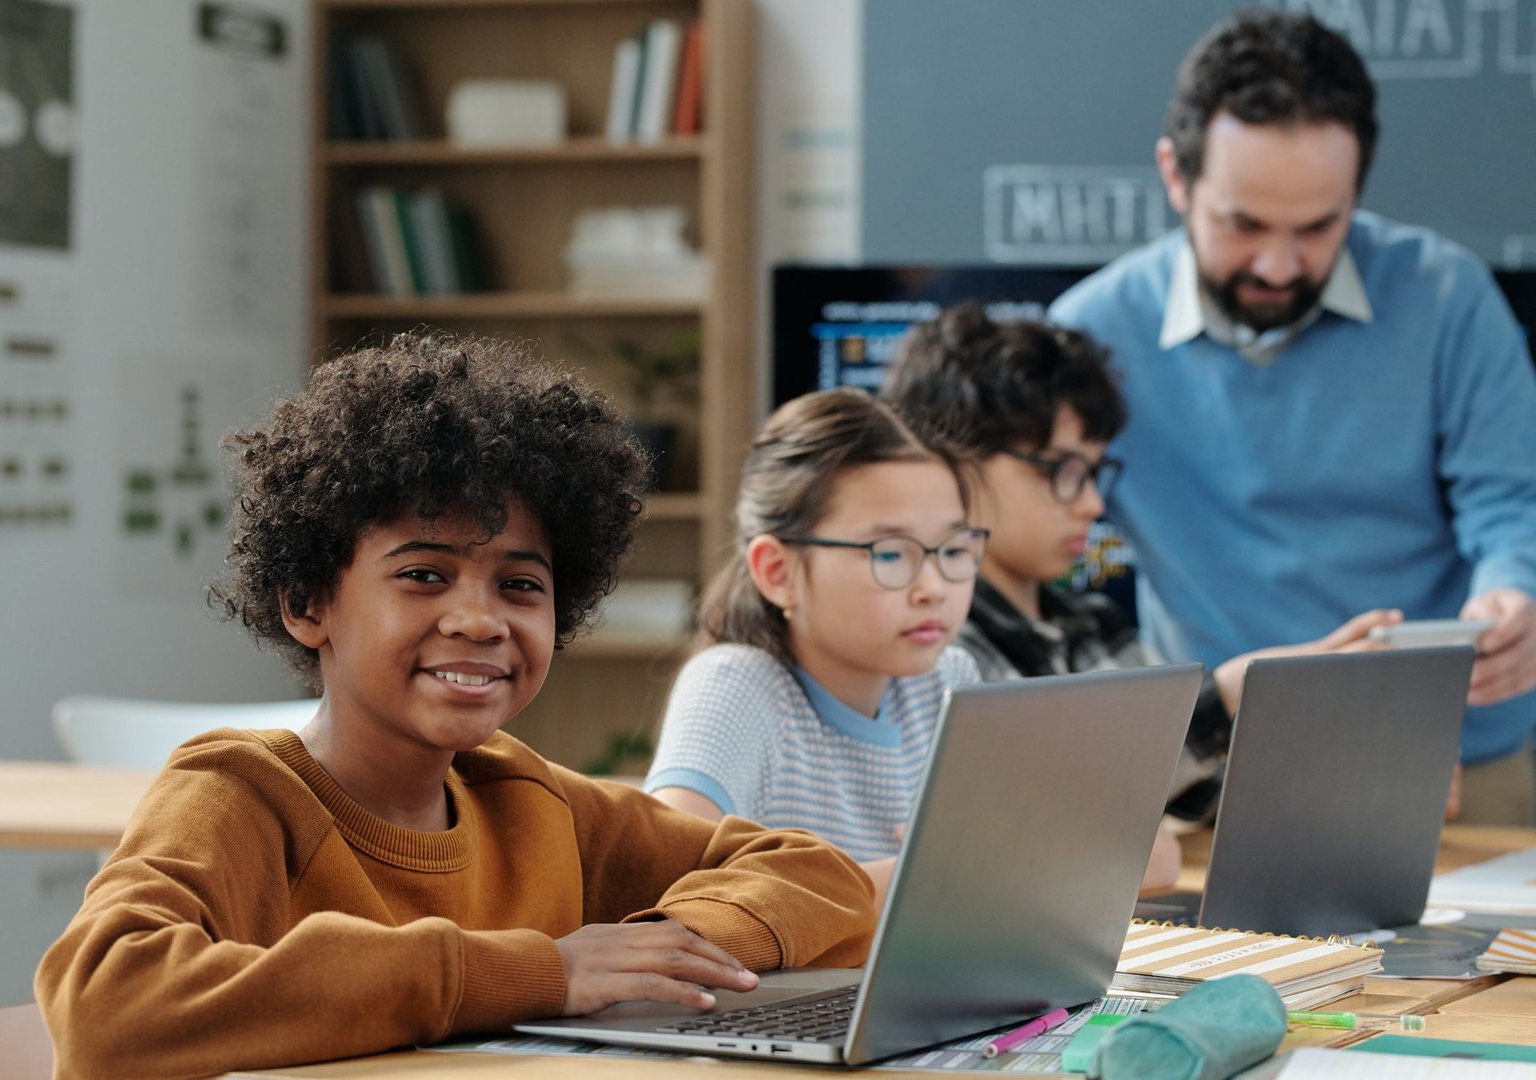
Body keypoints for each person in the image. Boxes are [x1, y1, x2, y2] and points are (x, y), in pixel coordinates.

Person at [34, 334, 875, 1080]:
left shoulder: (527, 797)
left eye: (520, 585)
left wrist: (660, 953)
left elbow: (811, 874)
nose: (479, 619)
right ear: (306, 601)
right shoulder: (240, 795)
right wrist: (539, 972)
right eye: (424, 575)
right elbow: (104, 1006)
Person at [1048, 10, 1536, 823]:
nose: (1279, 266)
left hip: (1458, 765)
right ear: (1176, 177)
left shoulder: (1447, 297)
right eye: (1243, 224)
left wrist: (1516, 594)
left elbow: (1513, 502)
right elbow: (1017, 537)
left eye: (1319, 228)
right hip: (1209, 776)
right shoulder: (1091, 336)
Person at [880, 305, 1403, 840]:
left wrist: (1362, 781)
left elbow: (1198, 794)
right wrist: (1221, 695)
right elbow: (1054, 810)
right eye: (1062, 471)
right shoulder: (935, 642)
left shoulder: (1095, 624)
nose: (1090, 504)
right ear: (948, 467)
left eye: (1094, 473)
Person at [643, 388, 1175, 902]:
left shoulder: (947, 680)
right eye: (892, 554)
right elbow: (666, 880)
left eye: (954, 548)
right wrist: (946, 875)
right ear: (778, 572)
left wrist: (960, 872)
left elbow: (1150, 855)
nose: (935, 588)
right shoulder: (737, 684)